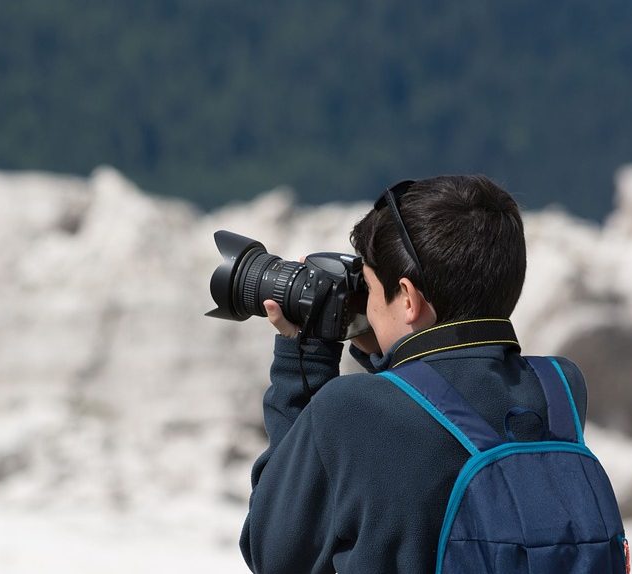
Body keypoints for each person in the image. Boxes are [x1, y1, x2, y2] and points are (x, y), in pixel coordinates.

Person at [239, 175, 590, 573]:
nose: (367, 307)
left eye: (369, 290)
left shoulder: (347, 410)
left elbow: (272, 552)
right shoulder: (560, 388)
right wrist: (391, 346)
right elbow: (437, 408)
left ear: (407, 299)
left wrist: (302, 360)